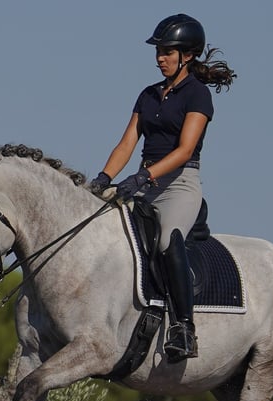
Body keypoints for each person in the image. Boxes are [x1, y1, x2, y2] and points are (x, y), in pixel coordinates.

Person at [90, 14, 236, 362]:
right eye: (158, 52)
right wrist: (103, 178)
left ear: (187, 55)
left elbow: (185, 150)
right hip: (143, 182)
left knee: (169, 241)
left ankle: (184, 328)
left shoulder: (197, 95)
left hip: (179, 184)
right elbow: (126, 144)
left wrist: (143, 177)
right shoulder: (148, 95)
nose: (160, 58)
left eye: (167, 51)